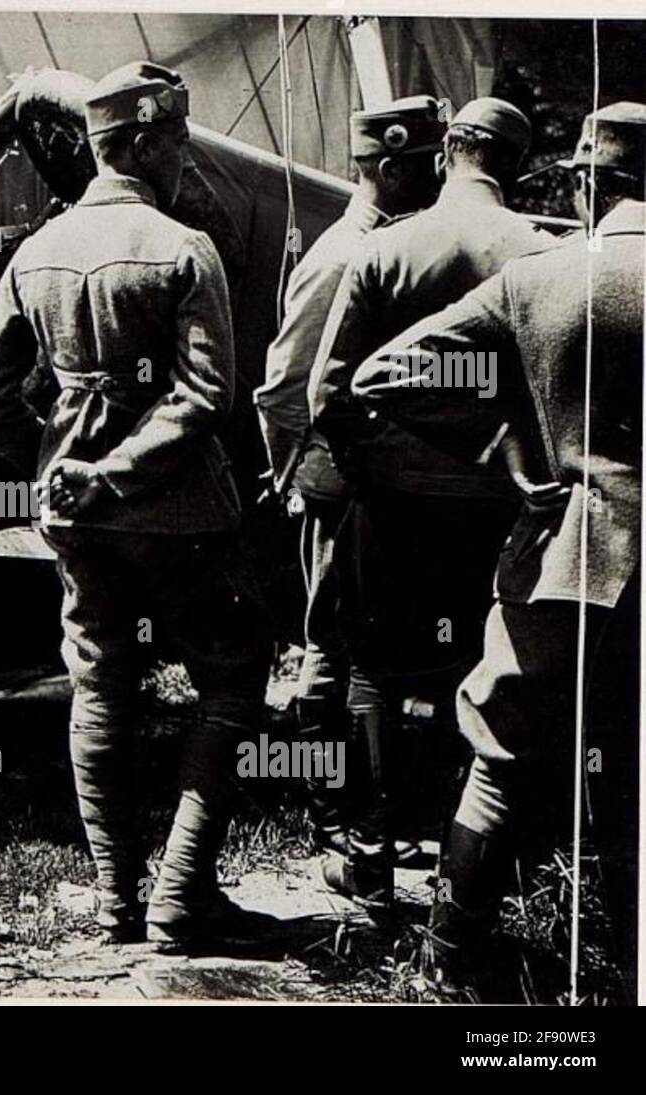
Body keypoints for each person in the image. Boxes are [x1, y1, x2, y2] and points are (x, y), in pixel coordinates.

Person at [0, 62, 272, 951]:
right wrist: (121, 469)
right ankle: (180, 892)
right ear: (139, 142)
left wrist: (58, 467)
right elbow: (208, 395)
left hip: (79, 521)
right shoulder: (184, 247)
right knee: (234, 673)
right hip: (181, 515)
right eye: (176, 139)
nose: (185, 158)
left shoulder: (36, 251)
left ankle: (114, 903)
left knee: (100, 685)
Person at [352, 102, 645, 998]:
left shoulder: (541, 277)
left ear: (588, 182)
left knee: (503, 754)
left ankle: (448, 961)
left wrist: (506, 448)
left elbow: (385, 375)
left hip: (570, 557)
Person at [307, 98, 557, 906]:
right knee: (481, 674)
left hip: (392, 504)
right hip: (497, 506)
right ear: (517, 164)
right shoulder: (542, 252)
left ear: (447, 148)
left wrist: (371, 462)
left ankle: (371, 859)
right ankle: (472, 864)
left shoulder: (387, 249)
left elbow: (327, 390)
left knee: (377, 675)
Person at [253, 96, 445, 856]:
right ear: (391, 168)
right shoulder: (341, 257)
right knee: (334, 645)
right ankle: (336, 810)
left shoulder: (388, 246)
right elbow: (281, 387)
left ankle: (365, 806)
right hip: (343, 485)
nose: (438, 178)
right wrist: (297, 476)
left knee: (366, 644)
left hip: (371, 481)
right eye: (429, 165)